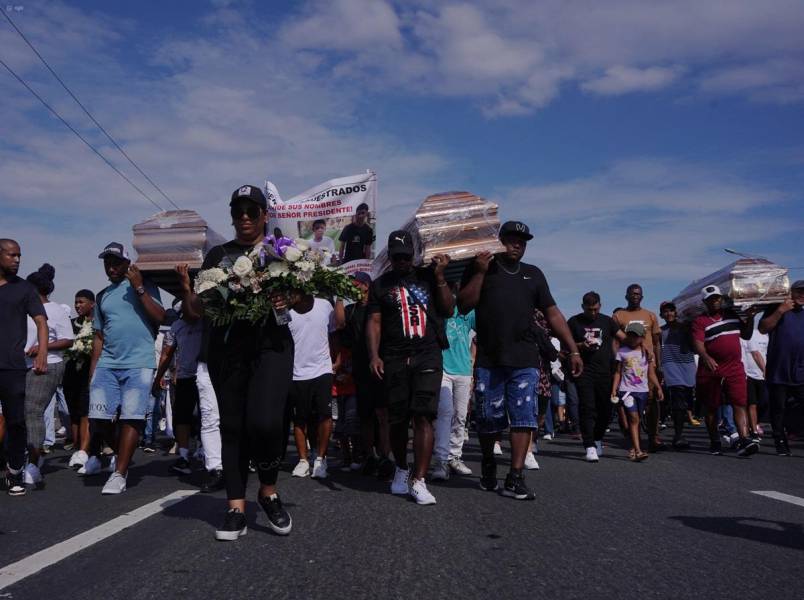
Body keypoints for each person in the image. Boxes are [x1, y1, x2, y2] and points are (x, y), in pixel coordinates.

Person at [180, 184, 294, 540]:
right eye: (237, 211)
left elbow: (303, 303)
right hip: (227, 350)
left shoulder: (281, 251)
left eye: (251, 211)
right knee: (232, 426)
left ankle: (269, 491)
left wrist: (286, 294)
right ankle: (235, 507)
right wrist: (188, 288)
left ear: (264, 215)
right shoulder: (217, 255)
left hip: (272, 346)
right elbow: (195, 312)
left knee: (265, 423)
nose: (244, 217)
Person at [458, 221, 582, 500]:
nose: (517, 245)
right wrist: (478, 271)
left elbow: (553, 313)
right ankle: (489, 462)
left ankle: (515, 476)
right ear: (499, 241)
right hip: (490, 359)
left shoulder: (533, 274)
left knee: (524, 417)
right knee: (490, 419)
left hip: (525, 359)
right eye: (511, 239)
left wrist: (572, 349)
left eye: (522, 241)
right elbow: (464, 304)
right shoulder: (482, 267)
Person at [367, 230, 453, 505]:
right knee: (398, 419)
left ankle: (419, 479)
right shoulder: (380, 285)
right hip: (394, 358)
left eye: (406, 256)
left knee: (423, 416)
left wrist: (440, 277)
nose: (402, 262)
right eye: (397, 257)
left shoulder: (429, 277)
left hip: (427, 355)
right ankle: (402, 469)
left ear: (414, 255)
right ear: (390, 257)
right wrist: (374, 355)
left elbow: (449, 309)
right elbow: (375, 322)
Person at [86, 242, 165, 494]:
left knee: (132, 417)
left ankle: (119, 473)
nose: (111, 267)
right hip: (108, 363)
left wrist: (139, 286)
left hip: (139, 362)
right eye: (107, 263)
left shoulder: (145, 285)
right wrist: (93, 369)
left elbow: (161, 317)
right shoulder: (102, 296)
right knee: (98, 419)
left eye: (116, 262)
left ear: (127, 264)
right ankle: (123, 454)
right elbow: (99, 336)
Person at [152, 297, 224, 492]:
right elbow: (167, 353)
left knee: (208, 416)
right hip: (185, 376)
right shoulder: (176, 327)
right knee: (181, 417)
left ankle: (208, 453)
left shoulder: (205, 322)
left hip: (207, 374)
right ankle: (184, 456)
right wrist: (159, 376)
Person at [0, 239, 48, 496]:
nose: (17, 260)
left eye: (19, 255)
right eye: (11, 255)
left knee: (17, 421)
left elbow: (41, 321)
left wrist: (41, 351)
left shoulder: (25, 289)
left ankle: (15, 471)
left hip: (12, 367)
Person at [23, 264, 74, 486]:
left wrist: (44, 348)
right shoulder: (23, 310)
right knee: (19, 413)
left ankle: (33, 464)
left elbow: (68, 340)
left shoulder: (56, 310)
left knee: (33, 411)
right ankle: (27, 455)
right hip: (21, 366)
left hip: (48, 365)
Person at [691, 285, 758, 456]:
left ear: (721, 299)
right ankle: (715, 441)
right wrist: (705, 357)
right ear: (705, 302)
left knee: (739, 403)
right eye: (711, 299)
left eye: (717, 298)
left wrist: (750, 318)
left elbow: (747, 335)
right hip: (711, 370)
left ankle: (744, 439)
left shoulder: (732, 315)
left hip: (735, 368)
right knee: (712, 407)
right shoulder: (700, 321)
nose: (715, 301)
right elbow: (698, 343)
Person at [341, 272, 394, 479]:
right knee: (366, 416)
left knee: (383, 414)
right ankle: (369, 456)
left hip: (381, 367)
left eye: (356, 284)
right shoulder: (350, 310)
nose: (354, 288)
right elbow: (339, 326)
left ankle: (385, 456)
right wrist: (339, 296)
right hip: (361, 368)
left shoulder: (379, 308)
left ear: (366, 285)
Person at [288, 292, 344, 480]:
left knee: (325, 414)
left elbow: (334, 332)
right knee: (300, 418)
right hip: (296, 372)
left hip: (322, 368)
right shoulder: (285, 310)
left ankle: (321, 459)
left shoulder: (324, 305)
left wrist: (338, 358)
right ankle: (303, 460)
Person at [567, 291, 624, 462]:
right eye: (589, 309)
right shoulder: (574, 321)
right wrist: (581, 345)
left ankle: (598, 438)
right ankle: (589, 445)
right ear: (583, 306)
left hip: (605, 371)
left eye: (595, 309)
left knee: (606, 410)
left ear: (600, 305)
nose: (592, 313)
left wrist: (640, 345)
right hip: (584, 371)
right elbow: (566, 343)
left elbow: (623, 337)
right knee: (587, 408)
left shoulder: (607, 321)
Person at [431, 285, 476, 480]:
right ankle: (440, 460)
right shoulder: (437, 310)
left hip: (464, 369)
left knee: (460, 415)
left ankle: (454, 456)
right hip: (443, 369)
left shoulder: (467, 312)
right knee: (445, 413)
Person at [613, 284, 664, 452]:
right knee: (628, 406)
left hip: (647, 366)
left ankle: (652, 436)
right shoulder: (619, 315)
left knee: (652, 401)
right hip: (627, 367)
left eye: (638, 294)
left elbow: (656, 343)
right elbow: (614, 341)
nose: (635, 296)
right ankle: (631, 436)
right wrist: (615, 360)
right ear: (626, 296)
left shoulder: (650, 315)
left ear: (642, 297)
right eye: (632, 294)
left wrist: (659, 364)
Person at [758, 279, 804, 456]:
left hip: (800, 370)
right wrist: (780, 311)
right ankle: (780, 442)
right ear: (790, 292)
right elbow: (763, 328)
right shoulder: (777, 308)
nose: (801, 295)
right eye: (798, 291)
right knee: (778, 409)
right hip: (779, 369)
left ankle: (794, 430)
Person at [659, 301, 697, 449]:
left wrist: (688, 328)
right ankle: (678, 435)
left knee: (687, 401)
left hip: (687, 366)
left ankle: (679, 433)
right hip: (670, 366)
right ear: (662, 315)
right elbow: (658, 349)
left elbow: (694, 347)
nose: (668, 314)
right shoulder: (660, 331)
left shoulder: (685, 328)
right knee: (678, 401)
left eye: (671, 311)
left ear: (676, 312)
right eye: (665, 311)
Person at [64, 290, 96, 469]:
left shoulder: (97, 324)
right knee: (73, 412)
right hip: (70, 374)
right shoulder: (70, 325)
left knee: (85, 411)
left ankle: (86, 449)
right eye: (76, 302)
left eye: (81, 302)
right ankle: (77, 447)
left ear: (92, 304)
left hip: (88, 374)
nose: (78, 306)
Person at [741, 327, 768, 440]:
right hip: (748, 375)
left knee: (764, 402)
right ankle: (753, 430)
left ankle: (755, 423)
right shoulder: (743, 336)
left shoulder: (766, 335)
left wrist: (765, 370)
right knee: (751, 403)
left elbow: (757, 354)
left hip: (761, 376)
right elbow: (755, 354)